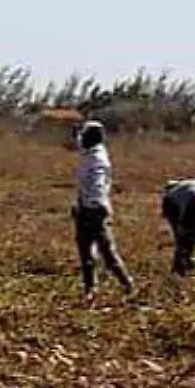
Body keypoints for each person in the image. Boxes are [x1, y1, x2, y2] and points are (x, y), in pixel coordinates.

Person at [71, 121, 133, 300]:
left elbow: (97, 186)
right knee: (86, 252)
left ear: (91, 138)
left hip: (94, 210)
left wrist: (90, 206)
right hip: (87, 207)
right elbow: (78, 145)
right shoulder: (90, 154)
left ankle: (127, 285)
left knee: (106, 252)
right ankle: (90, 290)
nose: (81, 138)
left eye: (84, 135)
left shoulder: (97, 159)